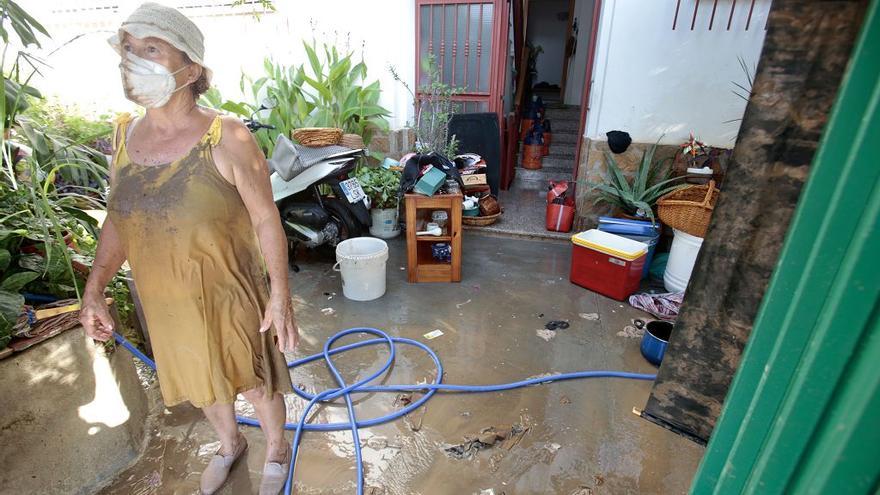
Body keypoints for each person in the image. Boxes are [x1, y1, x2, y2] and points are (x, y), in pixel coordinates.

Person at [77, 3, 298, 494]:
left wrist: (280, 293)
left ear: (191, 68)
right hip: (165, 298)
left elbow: (266, 218)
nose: (133, 60)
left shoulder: (229, 135)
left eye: (151, 49)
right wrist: (94, 289)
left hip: (229, 290)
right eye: (128, 50)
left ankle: (278, 447)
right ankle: (230, 444)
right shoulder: (122, 137)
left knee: (255, 380)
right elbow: (119, 219)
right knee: (200, 383)